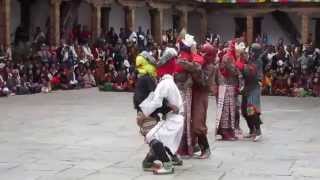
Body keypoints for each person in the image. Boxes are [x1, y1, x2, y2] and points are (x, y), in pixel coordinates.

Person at [138, 47, 184, 175]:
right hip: (176, 118)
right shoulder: (170, 81)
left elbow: (156, 102)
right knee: (160, 140)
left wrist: (143, 113)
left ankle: (167, 165)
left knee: (151, 136)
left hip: (173, 118)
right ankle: (153, 161)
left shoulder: (164, 83)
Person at [191, 43, 217, 159]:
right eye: (200, 52)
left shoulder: (210, 67)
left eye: (204, 53)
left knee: (198, 122)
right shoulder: (201, 63)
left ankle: (205, 148)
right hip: (193, 93)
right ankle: (194, 146)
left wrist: (197, 67)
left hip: (201, 95)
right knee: (191, 122)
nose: (201, 54)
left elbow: (203, 81)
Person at [215, 40, 240, 141]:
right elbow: (233, 71)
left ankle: (229, 130)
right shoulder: (229, 57)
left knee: (230, 109)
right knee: (226, 110)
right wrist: (239, 66)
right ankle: (225, 132)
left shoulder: (230, 56)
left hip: (229, 85)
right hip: (226, 85)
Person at [239, 43, 264, 141]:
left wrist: (244, 66)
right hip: (247, 86)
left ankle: (258, 131)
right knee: (244, 111)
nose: (251, 53)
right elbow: (244, 72)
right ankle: (251, 130)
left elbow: (252, 73)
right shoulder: (249, 60)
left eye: (253, 51)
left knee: (251, 109)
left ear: (257, 53)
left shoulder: (258, 62)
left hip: (254, 87)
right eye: (251, 51)